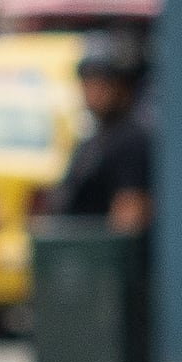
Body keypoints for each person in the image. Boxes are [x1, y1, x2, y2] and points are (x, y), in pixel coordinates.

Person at [40, 31, 155, 235]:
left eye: (102, 81)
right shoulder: (93, 139)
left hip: (100, 262)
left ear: (124, 85)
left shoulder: (131, 140)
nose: (92, 90)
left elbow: (130, 216)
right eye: (87, 80)